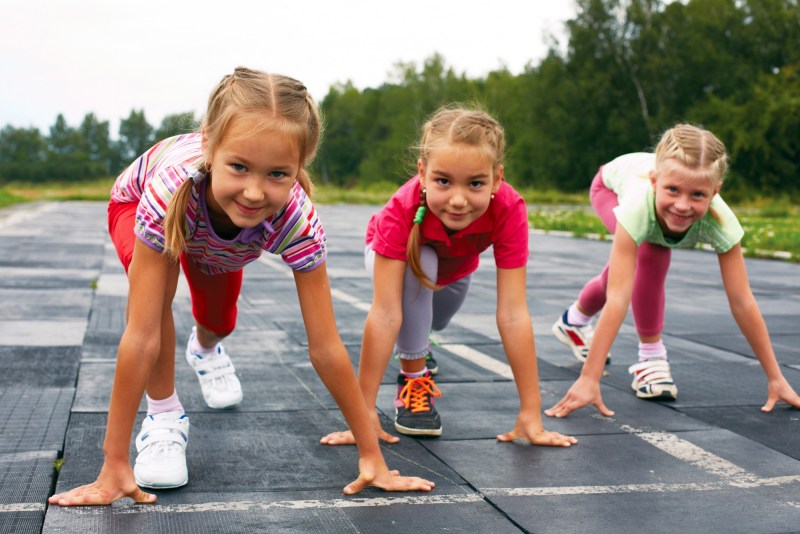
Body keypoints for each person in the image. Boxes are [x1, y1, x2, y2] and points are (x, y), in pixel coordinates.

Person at [49, 67, 434, 506]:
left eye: (277, 174)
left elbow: (325, 345)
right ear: (210, 145)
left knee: (218, 322)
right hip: (146, 206)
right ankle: (164, 420)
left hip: (220, 241)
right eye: (239, 167)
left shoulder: (298, 221)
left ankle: (205, 348)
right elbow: (140, 335)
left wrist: (372, 457)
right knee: (152, 304)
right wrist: (113, 463)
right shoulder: (166, 193)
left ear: (300, 166)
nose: (253, 192)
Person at [321, 106, 577, 447]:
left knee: (432, 322)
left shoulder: (509, 208)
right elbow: (384, 314)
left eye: (475, 183)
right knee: (420, 271)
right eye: (443, 181)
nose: (458, 200)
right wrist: (362, 411)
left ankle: (419, 345)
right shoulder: (402, 209)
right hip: (395, 260)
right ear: (423, 174)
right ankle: (413, 379)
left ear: (496, 179)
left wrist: (532, 412)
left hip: (456, 270)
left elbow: (513, 313)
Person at [545, 123, 800, 418]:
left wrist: (776, 377)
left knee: (629, 263)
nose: (682, 205)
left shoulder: (722, 222)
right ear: (655, 182)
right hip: (608, 187)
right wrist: (589, 379)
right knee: (650, 253)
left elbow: (742, 301)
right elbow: (618, 297)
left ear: (715, 192)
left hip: (641, 189)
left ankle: (573, 320)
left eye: (697, 195)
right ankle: (650, 360)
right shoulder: (637, 207)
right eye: (673, 190)